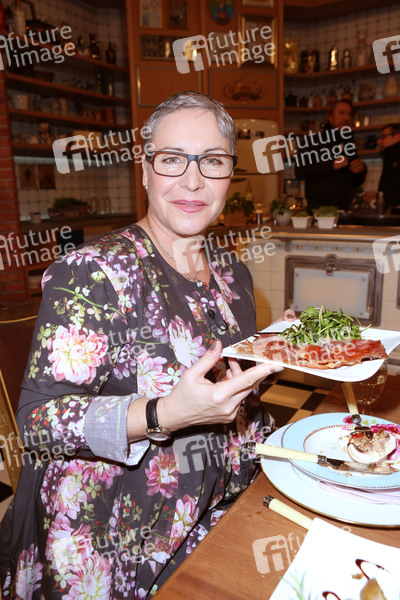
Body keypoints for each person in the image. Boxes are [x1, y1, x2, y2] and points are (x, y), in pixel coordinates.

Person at [0, 91, 295, 598]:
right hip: (113, 537)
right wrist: (162, 414)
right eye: (172, 159)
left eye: (213, 161)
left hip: (220, 501)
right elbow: (37, 423)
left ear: (230, 173)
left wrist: (270, 353)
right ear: (145, 170)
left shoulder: (233, 273)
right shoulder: (94, 273)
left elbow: (225, 395)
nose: (193, 180)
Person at [294, 99, 367, 212]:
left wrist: (361, 170)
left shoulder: (348, 141)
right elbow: (300, 172)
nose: (346, 117)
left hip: (344, 208)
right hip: (319, 208)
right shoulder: (312, 141)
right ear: (330, 117)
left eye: (349, 114)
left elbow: (355, 182)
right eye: (342, 113)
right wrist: (331, 165)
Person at [377, 123, 400, 213]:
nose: (379, 142)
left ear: (398, 136)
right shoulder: (389, 156)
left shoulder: (394, 157)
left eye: (384, 137)